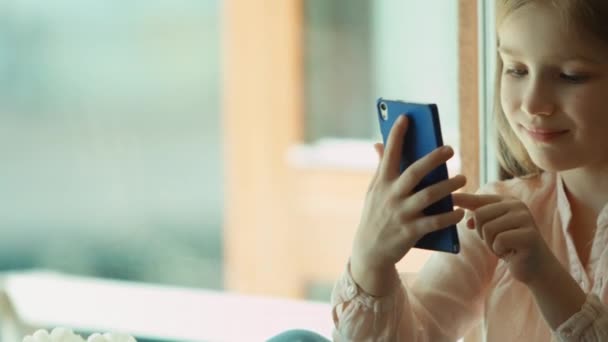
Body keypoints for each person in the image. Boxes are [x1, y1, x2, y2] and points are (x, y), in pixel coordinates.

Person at [331, 0, 608, 340]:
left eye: (571, 76)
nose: (533, 103)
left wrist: (546, 278)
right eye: (517, 70)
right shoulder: (498, 213)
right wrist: (370, 261)